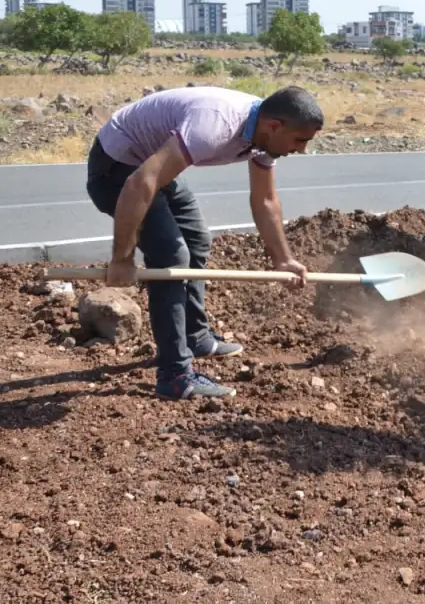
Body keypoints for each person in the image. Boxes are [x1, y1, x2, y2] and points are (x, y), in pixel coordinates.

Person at [86, 85, 324, 400]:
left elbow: (265, 200)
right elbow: (139, 182)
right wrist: (122, 258)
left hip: (152, 164)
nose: (303, 149)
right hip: (117, 168)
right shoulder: (215, 125)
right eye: (300, 140)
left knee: (197, 240)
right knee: (172, 258)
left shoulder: (265, 132)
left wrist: (283, 259)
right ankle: (174, 377)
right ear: (275, 126)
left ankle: (195, 336)